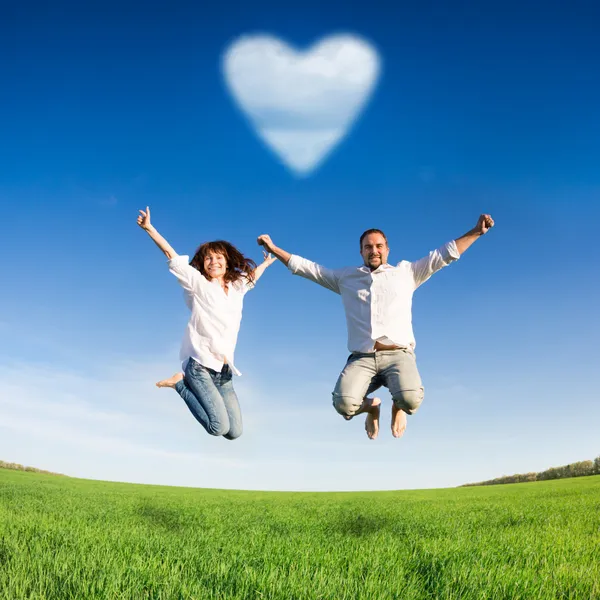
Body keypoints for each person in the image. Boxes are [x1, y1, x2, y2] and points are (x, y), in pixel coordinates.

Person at [257, 214, 494, 440]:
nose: (374, 250)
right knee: (344, 405)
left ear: (387, 249)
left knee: (410, 400)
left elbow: (444, 255)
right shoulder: (345, 278)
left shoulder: (407, 272)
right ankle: (372, 408)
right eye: (368, 247)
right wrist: (274, 249)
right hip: (362, 357)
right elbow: (309, 269)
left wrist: (476, 232)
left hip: (398, 355)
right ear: (361, 251)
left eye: (379, 246)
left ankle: (398, 405)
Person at [137, 206, 277, 440]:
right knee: (217, 427)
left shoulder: (236, 286)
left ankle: (187, 385)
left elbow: (252, 278)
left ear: (226, 261)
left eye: (218, 257)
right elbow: (172, 255)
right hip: (200, 366)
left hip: (224, 372)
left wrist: (265, 264)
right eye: (208, 258)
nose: (213, 261)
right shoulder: (197, 284)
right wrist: (150, 228)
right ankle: (179, 384)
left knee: (234, 433)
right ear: (202, 264)